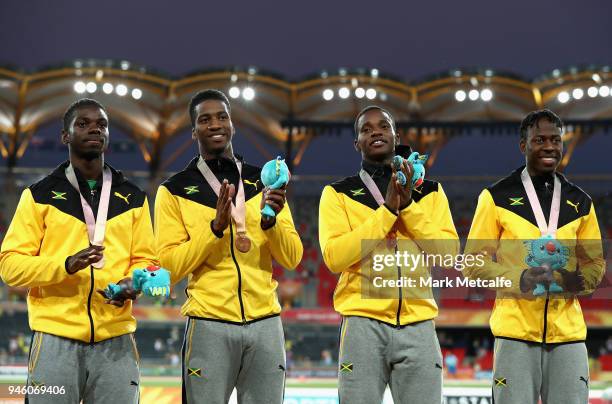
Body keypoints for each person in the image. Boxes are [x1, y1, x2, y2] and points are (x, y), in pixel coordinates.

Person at [0, 98, 158, 403]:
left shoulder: (134, 197)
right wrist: (66, 264)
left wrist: (134, 283)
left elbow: (150, 265)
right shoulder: (39, 196)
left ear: (108, 135)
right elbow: (9, 266)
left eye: (101, 124)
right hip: (55, 343)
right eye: (83, 124)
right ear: (66, 136)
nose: (94, 129)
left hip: (117, 342)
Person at [154, 89, 303, 404]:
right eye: (205, 120)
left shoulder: (265, 181)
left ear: (232, 124)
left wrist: (269, 223)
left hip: (265, 325)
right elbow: (167, 268)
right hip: (208, 325)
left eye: (222, 117)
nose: (215, 124)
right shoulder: (174, 190)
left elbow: (292, 258)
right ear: (194, 130)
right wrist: (214, 230)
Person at [318, 105, 458, 404]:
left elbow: (448, 255)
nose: (375, 131)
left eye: (383, 126)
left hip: (418, 325)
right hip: (361, 325)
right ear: (357, 144)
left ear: (396, 135)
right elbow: (334, 257)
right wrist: (387, 213)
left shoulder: (430, 191)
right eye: (366, 129)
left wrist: (408, 208)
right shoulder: (338, 193)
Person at [464, 109, 605, 404]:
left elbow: (595, 263)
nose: (549, 146)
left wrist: (577, 281)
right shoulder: (496, 198)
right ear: (523, 146)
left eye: (555, 139)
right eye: (540, 139)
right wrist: (520, 278)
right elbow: (473, 262)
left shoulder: (580, 202)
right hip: (515, 335)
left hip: (568, 336)